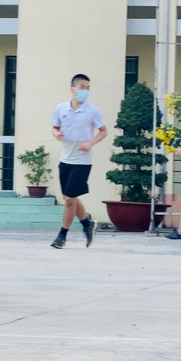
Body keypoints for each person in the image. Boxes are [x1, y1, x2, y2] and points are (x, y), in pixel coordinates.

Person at [49, 74, 108, 249]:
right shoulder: (61, 108)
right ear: (73, 89)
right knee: (70, 198)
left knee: (69, 200)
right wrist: (56, 134)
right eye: (82, 87)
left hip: (82, 161)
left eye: (88, 88)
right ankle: (87, 225)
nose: (86, 91)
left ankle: (62, 236)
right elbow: (54, 127)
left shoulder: (93, 111)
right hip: (65, 159)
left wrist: (90, 143)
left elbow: (104, 131)